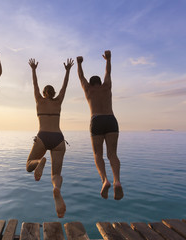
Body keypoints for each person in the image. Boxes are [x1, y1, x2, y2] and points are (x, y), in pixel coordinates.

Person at [26, 58, 74, 218]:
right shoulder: (58, 101)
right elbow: (65, 86)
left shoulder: (39, 100)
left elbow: (35, 85)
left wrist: (33, 69)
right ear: (53, 94)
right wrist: (67, 70)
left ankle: (40, 162)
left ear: (44, 93)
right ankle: (57, 190)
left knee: (28, 165)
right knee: (56, 174)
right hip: (58, 138)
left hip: (43, 136)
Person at [76, 50, 124, 200]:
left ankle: (105, 180)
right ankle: (117, 181)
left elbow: (81, 77)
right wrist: (108, 59)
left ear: (90, 83)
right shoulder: (107, 86)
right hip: (110, 119)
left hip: (96, 120)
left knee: (98, 154)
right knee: (112, 154)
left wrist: (79, 63)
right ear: (100, 82)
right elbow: (108, 72)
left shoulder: (88, 89)